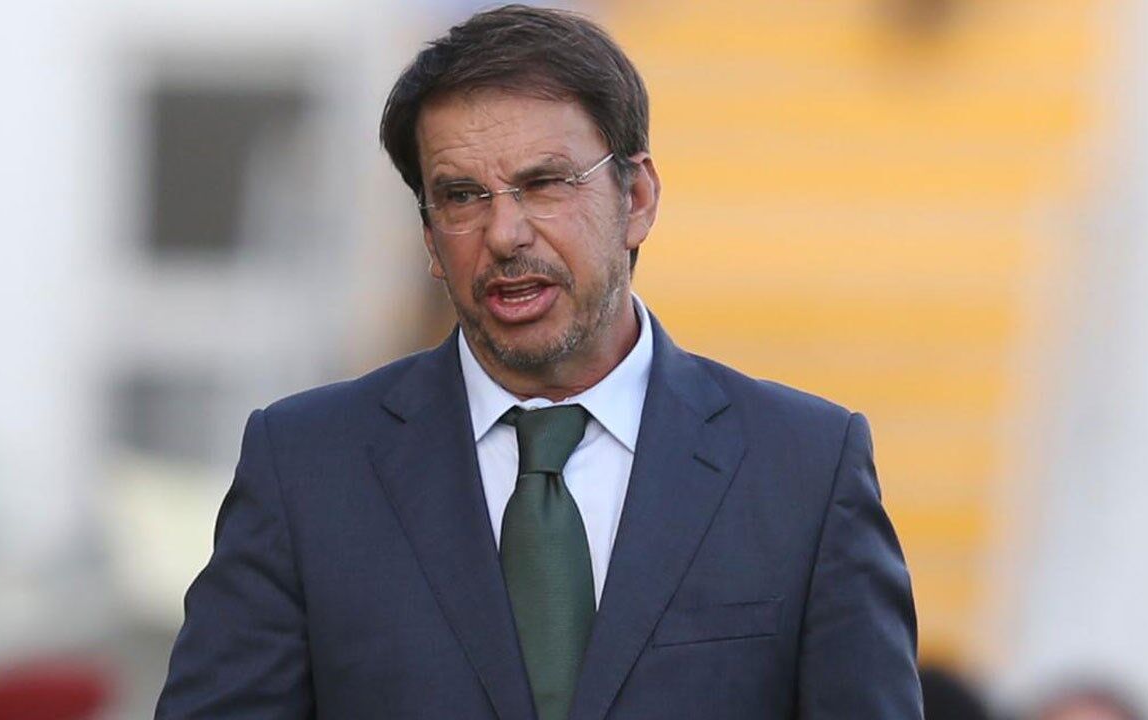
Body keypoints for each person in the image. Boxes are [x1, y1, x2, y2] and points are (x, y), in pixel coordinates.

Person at [156, 5, 922, 719]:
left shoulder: (804, 469)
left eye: (545, 183)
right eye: (462, 197)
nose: (505, 234)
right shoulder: (307, 469)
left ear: (638, 198)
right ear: (429, 239)